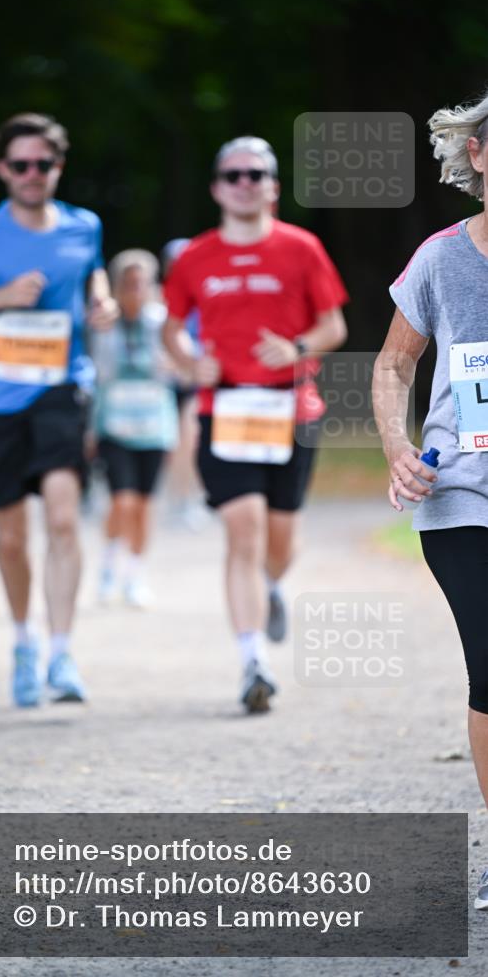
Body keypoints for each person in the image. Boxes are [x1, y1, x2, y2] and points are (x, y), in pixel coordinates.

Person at [0, 112, 116, 707]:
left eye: (43, 164)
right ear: (2, 170)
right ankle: (23, 644)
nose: (32, 174)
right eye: (20, 165)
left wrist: (105, 300)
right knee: (10, 539)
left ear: (58, 167)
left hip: (61, 391)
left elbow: (95, 278)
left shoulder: (84, 227)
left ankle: (62, 653)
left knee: (63, 520)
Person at [163, 136, 348, 713]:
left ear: (273, 185)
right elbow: (168, 327)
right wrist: (192, 362)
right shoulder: (195, 256)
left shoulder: (302, 248)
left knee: (279, 539)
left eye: (257, 174)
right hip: (227, 408)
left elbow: (333, 326)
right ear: (218, 187)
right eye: (234, 174)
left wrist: (296, 347)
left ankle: (271, 588)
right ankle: (253, 662)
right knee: (242, 529)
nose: (246, 183)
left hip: (290, 408)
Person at [372, 92, 488, 909]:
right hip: (464, 497)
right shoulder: (440, 259)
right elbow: (390, 366)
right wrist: (395, 447)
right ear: (476, 155)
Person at [92, 249, 178, 608]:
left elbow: (181, 365)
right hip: (113, 424)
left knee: (144, 505)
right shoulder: (102, 323)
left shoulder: (162, 323)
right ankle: (111, 561)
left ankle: (135, 573)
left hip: (154, 425)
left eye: (142, 284)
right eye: (128, 284)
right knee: (121, 501)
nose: (135, 291)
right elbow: (96, 372)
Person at [160, 239, 207, 532]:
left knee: (189, 440)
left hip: (192, 380)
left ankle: (186, 499)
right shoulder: (158, 297)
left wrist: (191, 364)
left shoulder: (206, 296)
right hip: (160, 383)